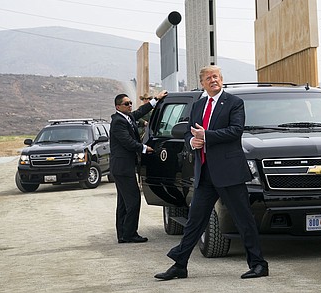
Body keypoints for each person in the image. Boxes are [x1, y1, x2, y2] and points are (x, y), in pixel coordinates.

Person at [155, 66, 267, 281]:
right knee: (195, 220)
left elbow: (236, 131)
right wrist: (191, 140)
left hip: (229, 173)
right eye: (208, 78)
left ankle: (259, 264)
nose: (213, 80)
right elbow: (189, 131)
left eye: (216, 77)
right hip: (204, 173)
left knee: (243, 220)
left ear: (221, 80)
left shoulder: (234, 103)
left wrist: (206, 136)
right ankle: (180, 266)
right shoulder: (197, 106)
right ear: (203, 83)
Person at [111, 90, 167, 243]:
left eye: (130, 103)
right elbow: (127, 142)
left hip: (124, 167)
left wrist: (156, 100)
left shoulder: (127, 117)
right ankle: (130, 234)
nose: (130, 106)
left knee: (123, 202)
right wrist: (144, 148)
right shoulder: (118, 122)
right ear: (118, 107)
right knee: (134, 200)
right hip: (122, 168)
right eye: (126, 104)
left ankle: (123, 234)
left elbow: (140, 111)